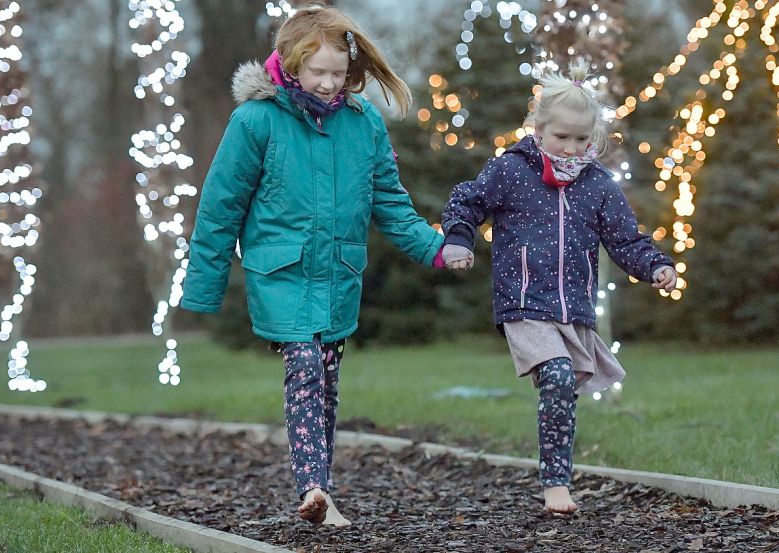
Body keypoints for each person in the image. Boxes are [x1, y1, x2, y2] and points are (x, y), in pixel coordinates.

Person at [179, 3, 444, 527]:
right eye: (318, 72)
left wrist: (433, 247)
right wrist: (203, 288)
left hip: (339, 274)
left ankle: (321, 486)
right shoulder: (256, 119)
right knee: (303, 368)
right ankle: (314, 487)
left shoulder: (363, 123)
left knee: (325, 377)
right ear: (291, 64)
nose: (328, 84)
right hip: (282, 272)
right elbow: (220, 206)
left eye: (338, 74)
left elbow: (389, 201)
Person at [439, 59, 677, 515]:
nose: (570, 148)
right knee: (558, 375)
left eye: (581, 139)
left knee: (563, 387)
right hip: (524, 302)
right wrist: (456, 241)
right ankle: (556, 485)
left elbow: (625, 239)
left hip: (574, 310)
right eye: (560, 137)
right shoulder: (511, 170)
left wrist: (656, 267)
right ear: (538, 128)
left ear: (594, 138)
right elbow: (468, 200)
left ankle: (557, 476)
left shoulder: (599, 186)